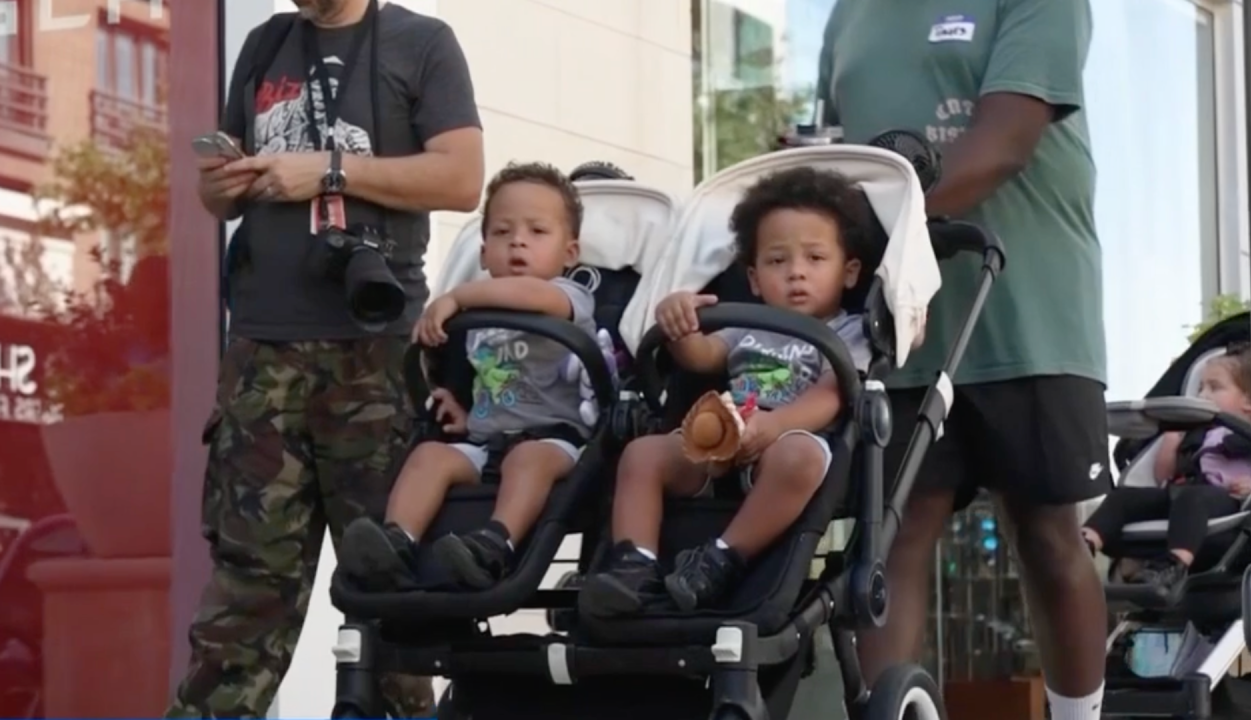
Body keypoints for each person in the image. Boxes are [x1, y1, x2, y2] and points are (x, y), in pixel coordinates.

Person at [170, 0, 483, 716]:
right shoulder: (266, 42)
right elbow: (220, 190)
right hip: (260, 350)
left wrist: (332, 171)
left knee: (389, 589)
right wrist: (219, 188)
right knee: (245, 591)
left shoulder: (422, 41)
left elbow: (462, 177)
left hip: (376, 351)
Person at [816, 1, 1111, 718]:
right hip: (905, 321)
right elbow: (833, 151)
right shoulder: (849, 14)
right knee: (894, 529)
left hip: (1028, 308)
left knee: (1045, 532)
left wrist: (883, 233)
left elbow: (1006, 140)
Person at [579, 167, 873, 615]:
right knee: (641, 455)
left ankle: (722, 558)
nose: (796, 273)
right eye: (778, 261)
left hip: (786, 438)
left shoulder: (847, 331)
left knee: (803, 459)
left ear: (849, 272)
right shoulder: (744, 324)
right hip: (718, 438)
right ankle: (633, 564)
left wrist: (774, 426)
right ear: (754, 278)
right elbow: (702, 357)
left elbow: (832, 396)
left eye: (815, 259)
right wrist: (678, 322)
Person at [338, 162, 596, 591]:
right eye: (501, 232)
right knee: (430, 457)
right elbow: (493, 380)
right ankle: (396, 541)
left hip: (557, 442)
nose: (518, 241)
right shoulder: (477, 319)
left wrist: (456, 297)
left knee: (525, 459)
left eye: (537, 231)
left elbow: (529, 295)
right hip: (486, 440)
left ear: (570, 254)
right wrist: (467, 413)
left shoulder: (569, 296)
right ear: (482, 252)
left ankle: (496, 544)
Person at [1083, 344, 1251, 596]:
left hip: (1229, 500)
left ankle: (1172, 566)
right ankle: (1083, 544)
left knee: (1192, 498)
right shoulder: (1197, 433)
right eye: (1200, 388)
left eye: (1214, 388)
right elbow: (1162, 475)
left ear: (1249, 400)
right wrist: (1173, 437)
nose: (1203, 395)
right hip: (1182, 494)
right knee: (1124, 497)